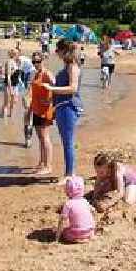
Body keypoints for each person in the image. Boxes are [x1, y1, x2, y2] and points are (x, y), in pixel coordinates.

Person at [43, 39, 82, 179]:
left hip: (69, 106)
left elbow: (73, 88)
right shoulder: (67, 66)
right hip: (62, 106)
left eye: (58, 50)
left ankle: (70, 174)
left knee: (68, 141)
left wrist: (52, 88)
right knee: (66, 141)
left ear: (64, 51)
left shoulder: (72, 66)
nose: (56, 53)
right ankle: (68, 173)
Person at [26, 52, 54, 175]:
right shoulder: (36, 73)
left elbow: (55, 86)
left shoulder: (47, 73)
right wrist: (30, 108)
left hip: (44, 110)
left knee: (45, 138)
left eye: (38, 61)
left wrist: (50, 100)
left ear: (43, 60)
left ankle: (48, 165)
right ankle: (41, 162)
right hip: (36, 109)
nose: (36, 64)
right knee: (40, 138)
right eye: (34, 62)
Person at [55, 176, 94, 244]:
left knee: (65, 231)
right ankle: (87, 237)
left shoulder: (68, 204)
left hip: (75, 235)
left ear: (68, 191)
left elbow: (62, 220)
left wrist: (57, 237)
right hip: (88, 233)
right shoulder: (85, 202)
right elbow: (93, 211)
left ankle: (77, 239)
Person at [0, 49, 21, 118]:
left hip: (16, 85)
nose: (19, 55)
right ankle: (4, 121)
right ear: (14, 54)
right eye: (18, 53)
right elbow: (8, 76)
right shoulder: (9, 62)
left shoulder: (17, 62)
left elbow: (18, 75)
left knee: (14, 102)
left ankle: (11, 118)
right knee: (7, 103)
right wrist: (10, 88)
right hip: (9, 85)